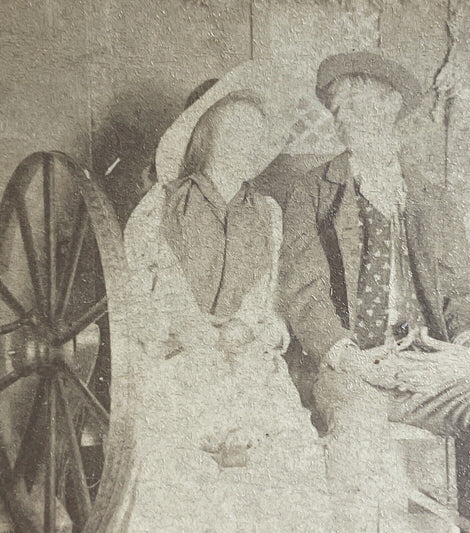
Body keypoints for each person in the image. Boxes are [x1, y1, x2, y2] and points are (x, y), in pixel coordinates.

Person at [279, 51, 470, 533]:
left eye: (356, 106)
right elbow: (303, 293)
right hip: (354, 372)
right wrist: (350, 357)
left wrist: (466, 350)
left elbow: (464, 288)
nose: (344, 120)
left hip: (430, 371)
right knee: (355, 439)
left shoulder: (429, 196)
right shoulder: (311, 192)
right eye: (337, 110)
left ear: (388, 109)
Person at [89, 89, 331, 532]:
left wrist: (265, 330)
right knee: (180, 471)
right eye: (236, 130)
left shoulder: (268, 214)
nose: (249, 142)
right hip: (176, 366)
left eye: (257, 133)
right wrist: (192, 331)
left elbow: (277, 310)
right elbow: (133, 305)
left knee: (288, 461)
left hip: (250, 370)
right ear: (206, 135)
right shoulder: (159, 207)